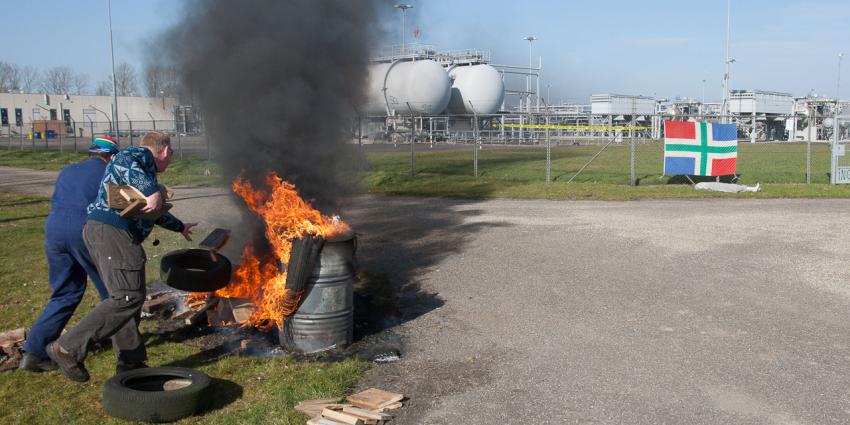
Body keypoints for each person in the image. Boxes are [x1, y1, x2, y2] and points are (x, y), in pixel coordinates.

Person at [46, 132, 198, 382]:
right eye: (170, 152)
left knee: (129, 298)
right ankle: (67, 348)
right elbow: (124, 161)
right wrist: (152, 190)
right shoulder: (135, 155)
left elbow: (151, 211)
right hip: (112, 233)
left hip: (108, 233)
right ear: (162, 150)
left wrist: (179, 226)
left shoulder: (139, 174)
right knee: (127, 297)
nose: (172, 158)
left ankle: (131, 363)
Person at [18, 137, 119, 372]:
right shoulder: (108, 175)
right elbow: (131, 205)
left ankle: (33, 352)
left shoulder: (67, 171)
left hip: (54, 233)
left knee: (65, 293)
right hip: (83, 233)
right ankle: (125, 348)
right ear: (112, 157)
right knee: (115, 293)